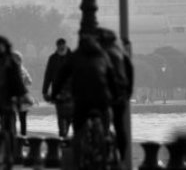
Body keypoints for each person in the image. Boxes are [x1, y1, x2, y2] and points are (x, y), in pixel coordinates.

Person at [52, 33, 117, 141]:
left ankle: (79, 148)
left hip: (81, 98)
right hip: (100, 97)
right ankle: (105, 136)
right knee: (105, 115)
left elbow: (61, 78)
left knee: (78, 126)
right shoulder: (103, 57)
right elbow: (112, 79)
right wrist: (115, 94)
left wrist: (55, 94)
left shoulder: (74, 57)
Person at [97, 28, 134, 161]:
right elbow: (130, 74)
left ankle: (100, 150)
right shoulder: (122, 55)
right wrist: (127, 93)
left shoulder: (100, 54)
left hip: (103, 95)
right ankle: (122, 159)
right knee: (119, 126)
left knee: (99, 123)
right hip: (120, 96)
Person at [42, 38, 73, 137]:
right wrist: (45, 91)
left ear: (65, 45)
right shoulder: (53, 58)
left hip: (71, 90)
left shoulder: (73, 57)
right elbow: (48, 75)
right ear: (57, 46)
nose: (61, 47)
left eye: (63, 45)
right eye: (60, 46)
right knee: (61, 114)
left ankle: (65, 132)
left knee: (70, 115)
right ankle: (62, 134)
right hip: (58, 90)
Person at [11, 51, 34, 136]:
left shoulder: (22, 70)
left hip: (19, 97)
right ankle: (18, 136)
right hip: (15, 97)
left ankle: (20, 136)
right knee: (16, 118)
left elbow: (29, 81)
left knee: (19, 118)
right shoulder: (21, 70)